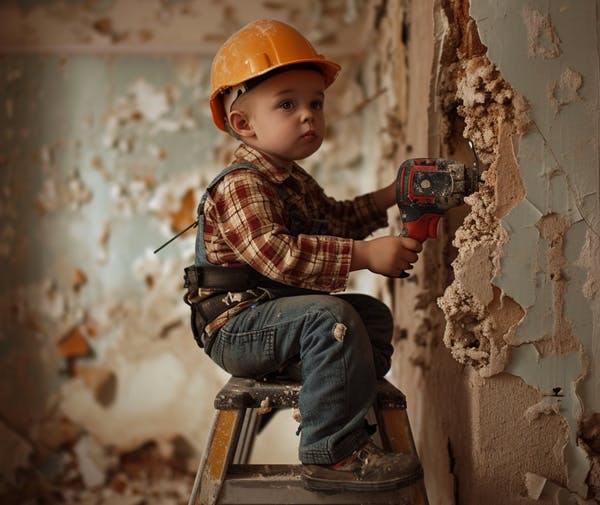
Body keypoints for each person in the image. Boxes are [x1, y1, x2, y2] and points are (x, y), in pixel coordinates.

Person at [186, 19, 423, 492]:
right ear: (244, 124)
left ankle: (334, 388)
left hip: (273, 318)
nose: (308, 115)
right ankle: (332, 452)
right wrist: (366, 255)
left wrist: (389, 196)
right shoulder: (242, 184)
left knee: (371, 316)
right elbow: (280, 257)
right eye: (287, 104)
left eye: (316, 102)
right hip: (237, 327)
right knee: (328, 317)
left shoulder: (292, 180)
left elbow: (335, 219)